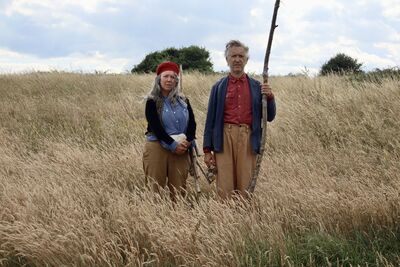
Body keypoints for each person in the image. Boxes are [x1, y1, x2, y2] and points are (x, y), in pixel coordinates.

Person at [203, 40, 276, 199]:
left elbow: (269, 117)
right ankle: (225, 220)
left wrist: (270, 97)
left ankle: (244, 219)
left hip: (248, 138)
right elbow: (210, 120)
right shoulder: (218, 87)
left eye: (241, 56)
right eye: (233, 56)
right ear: (227, 59)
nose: (237, 59)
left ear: (246, 59)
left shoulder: (257, 87)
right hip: (224, 138)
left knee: (246, 184)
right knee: (225, 185)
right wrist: (207, 151)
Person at [143, 61, 196, 201]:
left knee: (179, 191)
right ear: (159, 79)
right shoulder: (152, 101)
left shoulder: (184, 100)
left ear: (176, 81)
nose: (169, 80)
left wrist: (188, 142)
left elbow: (192, 124)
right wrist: (173, 145)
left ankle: (177, 219)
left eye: (173, 77)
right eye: (166, 76)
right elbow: (155, 127)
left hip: (182, 149)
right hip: (157, 146)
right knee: (156, 190)